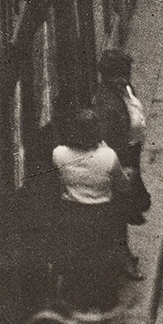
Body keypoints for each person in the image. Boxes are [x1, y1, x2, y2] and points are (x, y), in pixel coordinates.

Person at [50, 111, 127, 310]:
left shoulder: (59, 154)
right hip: (101, 216)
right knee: (102, 263)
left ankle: (77, 305)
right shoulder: (108, 156)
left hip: (72, 215)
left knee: (77, 263)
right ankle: (104, 305)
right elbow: (122, 185)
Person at [96, 49, 150, 280]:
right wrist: (121, 170)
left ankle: (121, 252)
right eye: (123, 73)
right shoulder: (107, 104)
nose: (127, 78)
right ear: (111, 77)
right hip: (120, 160)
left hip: (131, 154)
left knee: (128, 205)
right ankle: (122, 258)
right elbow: (108, 142)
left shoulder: (124, 89)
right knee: (119, 210)